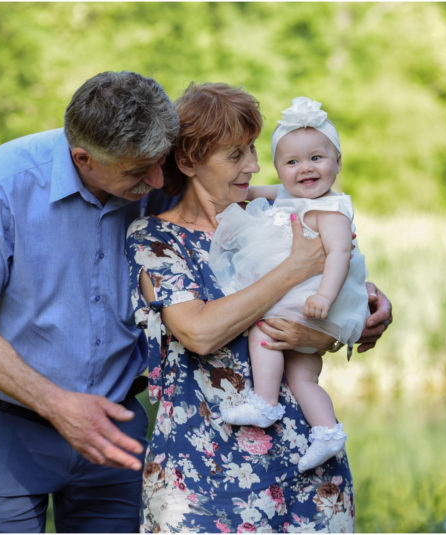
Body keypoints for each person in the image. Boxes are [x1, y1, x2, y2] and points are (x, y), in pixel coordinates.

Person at [0, 71, 181, 532]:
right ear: (84, 158)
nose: (159, 180)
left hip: (117, 428)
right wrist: (59, 405)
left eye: (160, 163)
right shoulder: (2, 182)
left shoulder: (153, 178)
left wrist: (346, 294)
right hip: (9, 432)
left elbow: (238, 213)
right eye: (140, 171)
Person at [125, 82, 392, 532]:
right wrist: (293, 269)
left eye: (252, 149)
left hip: (308, 465)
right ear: (188, 161)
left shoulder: (281, 214)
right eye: (235, 155)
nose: (252, 165)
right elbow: (200, 333)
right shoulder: (157, 239)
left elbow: (337, 291)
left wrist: (348, 323)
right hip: (203, 475)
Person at [209, 96, 368, 472]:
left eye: (317, 158)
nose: (305, 169)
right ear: (279, 169)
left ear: (338, 163)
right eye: (292, 162)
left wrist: (323, 297)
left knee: (263, 325)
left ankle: (264, 401)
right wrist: (231, 191)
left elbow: (340, 257)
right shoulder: (285, 195)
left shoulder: (331, 211)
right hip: (306, 298)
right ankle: (327, 431)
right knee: (302, 376)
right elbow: (250, 192)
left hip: (313, 299)